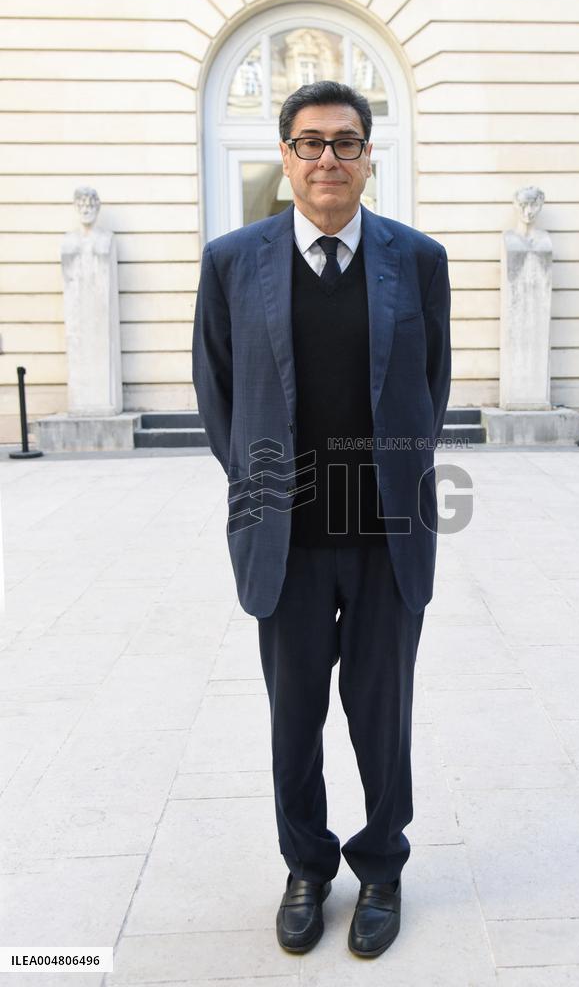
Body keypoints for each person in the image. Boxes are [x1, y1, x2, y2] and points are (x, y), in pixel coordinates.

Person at [192, 80, 451, 959]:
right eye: (310, 143)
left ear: (369, 155)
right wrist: (263, 491)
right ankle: (306, 865)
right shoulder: (233, 261)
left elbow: (430, 387)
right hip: (287, 537)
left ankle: (381, 866)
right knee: (292, 718)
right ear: (286, 157)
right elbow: (218, 394)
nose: (328, 158)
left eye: (345, 142)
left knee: (383, 716)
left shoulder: (416, 259)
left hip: (384, 536)